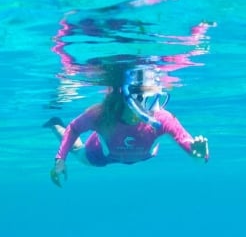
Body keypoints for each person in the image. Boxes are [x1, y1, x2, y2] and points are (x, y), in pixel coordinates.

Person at [48, 65, 209, 187]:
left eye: (157, 100)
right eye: (150, 101)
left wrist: (200, 155)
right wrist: (60, 160)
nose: (155, 109)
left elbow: (195, 155)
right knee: (77, 151)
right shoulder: (101, 115)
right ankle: (55, 124)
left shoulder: (162, 118)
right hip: (100, 156)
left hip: (141, 156)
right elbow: (74, 129)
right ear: (131, 100)